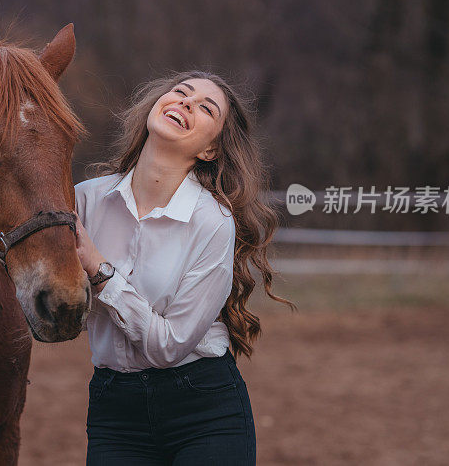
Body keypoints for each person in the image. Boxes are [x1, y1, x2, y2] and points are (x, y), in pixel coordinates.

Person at [73, 70, 295, 465]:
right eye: (181, 92)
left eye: (206, 108)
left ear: (210, 150)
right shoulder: (84, 202)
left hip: (203, 411)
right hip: (114, 411)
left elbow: (170, 345)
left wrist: (99, 269)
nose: (186, 102)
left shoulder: (213, 223)